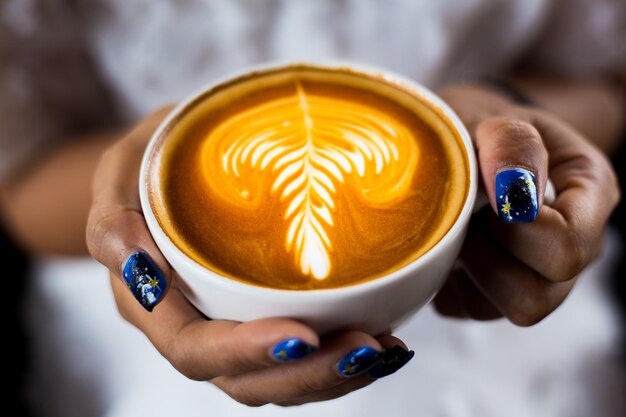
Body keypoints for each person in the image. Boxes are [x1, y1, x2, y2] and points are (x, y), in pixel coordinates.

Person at [1, 0, 624, 415]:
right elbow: (21, 174)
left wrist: (503, 112)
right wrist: (127, 196)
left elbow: (603, 81)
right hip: (153, 318)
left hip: (484, 289)